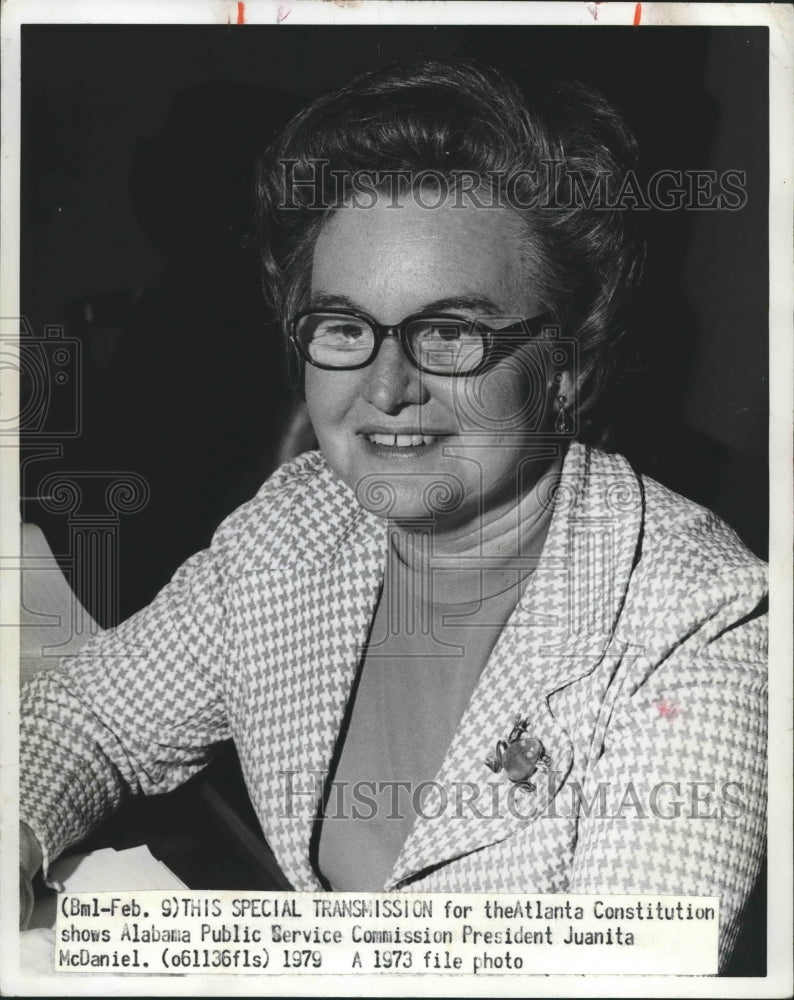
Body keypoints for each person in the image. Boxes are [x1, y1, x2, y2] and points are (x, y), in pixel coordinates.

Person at [19, 58, 766, 971]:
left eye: (450, 331)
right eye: (343, 326)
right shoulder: (296, 526)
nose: (385, 387)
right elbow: (92, 717)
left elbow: (631, 969)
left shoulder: (704, 619)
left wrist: (226, 952)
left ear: (569, 366)